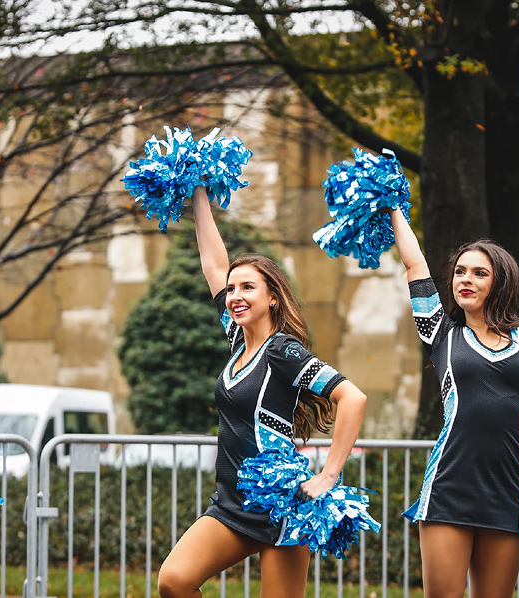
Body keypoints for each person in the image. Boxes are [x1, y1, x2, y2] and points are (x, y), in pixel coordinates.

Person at [157, 186, 369, 598]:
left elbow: (353, 397)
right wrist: (198, 188)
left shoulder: (284, 352)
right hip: (231, 503)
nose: (234, 296)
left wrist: (328, 476)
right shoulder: (238, 342)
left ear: (272, 298)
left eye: (247, 288)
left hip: (282, 508)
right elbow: (214, 264)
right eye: (232, 289)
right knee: (174, 580)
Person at [390, 207, 519, 598]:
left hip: (505, 495)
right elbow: (414, 265)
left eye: (479, 273)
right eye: (460, 271)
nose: (466, 279)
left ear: (501, 281)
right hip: (448, 489)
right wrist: (392, 202)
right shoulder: (440, 333)